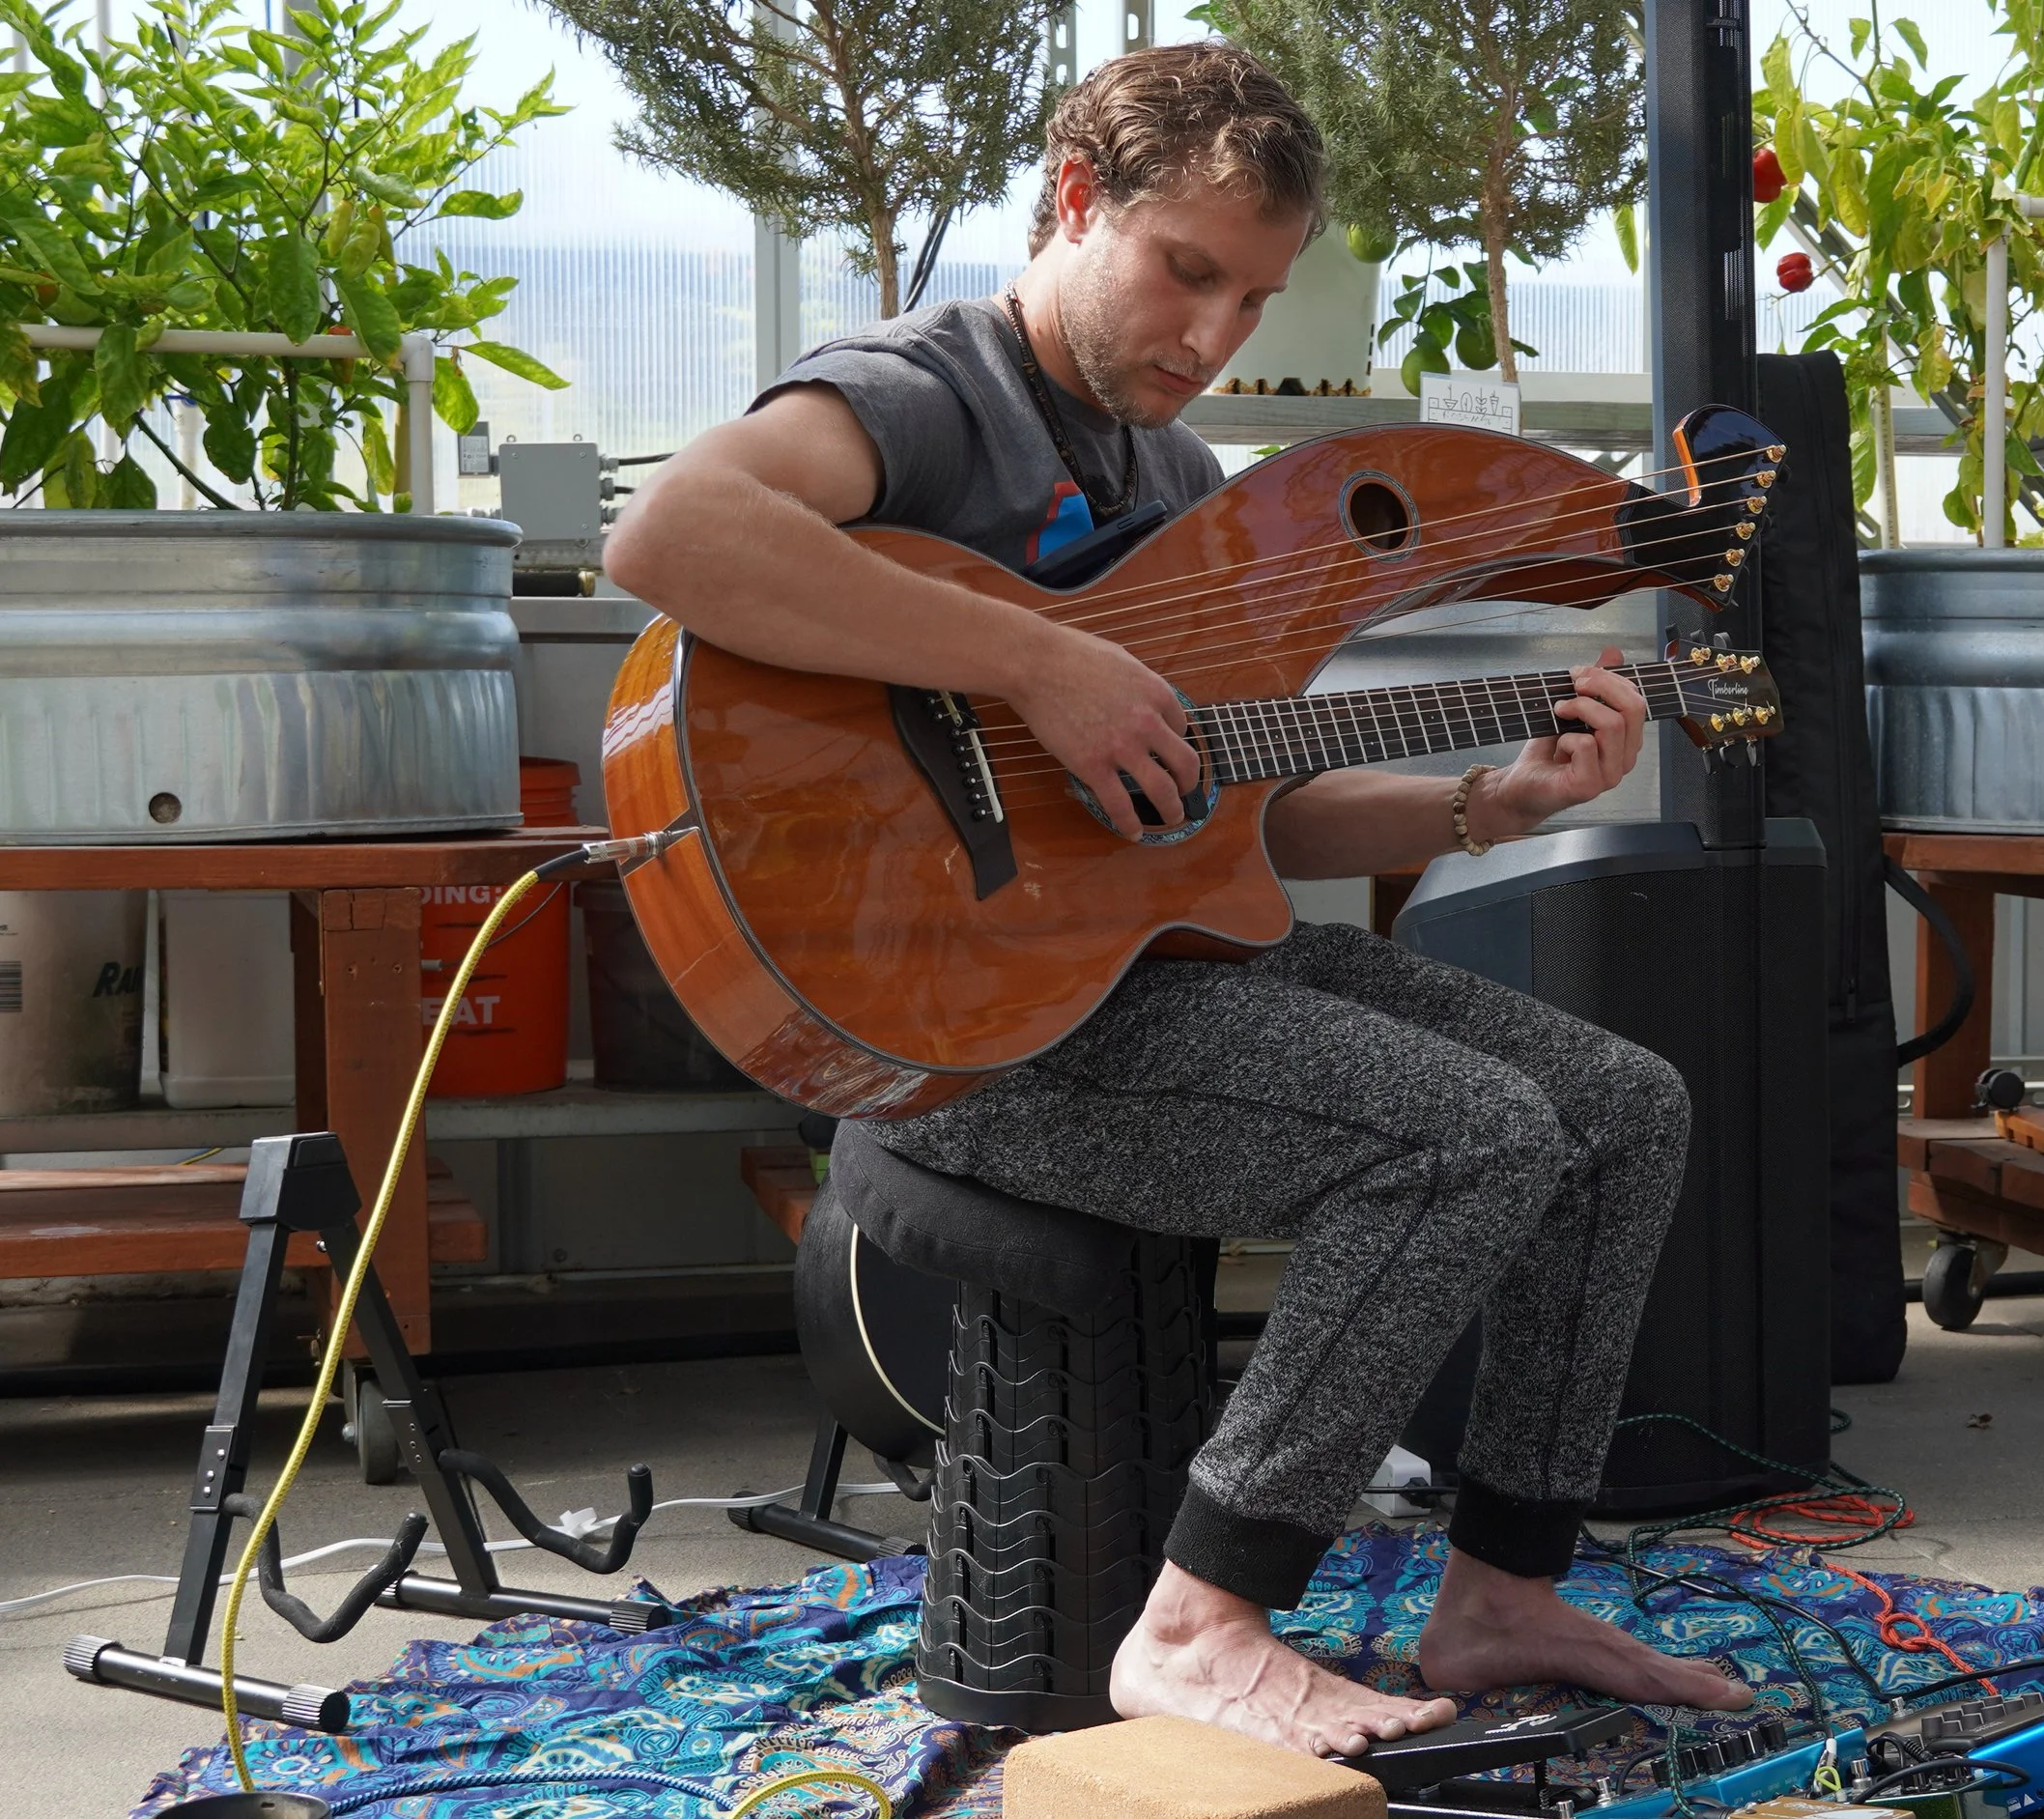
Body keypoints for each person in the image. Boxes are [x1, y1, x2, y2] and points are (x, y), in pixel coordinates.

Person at [604, 41, 1752, 1759]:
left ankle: (1505, 1585)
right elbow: (672, 535)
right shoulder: (929, 394)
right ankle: (1202, 1620)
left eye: (1255, 298)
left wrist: (1486, 801)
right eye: (1186, 271)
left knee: (1620, 1104)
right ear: (1078, 200)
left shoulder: (1179, 483)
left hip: (1142, 978)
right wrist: (1034, 661)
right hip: (957, 1016)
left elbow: (1234, 811)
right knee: (1466, 1133)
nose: (1214, 333)